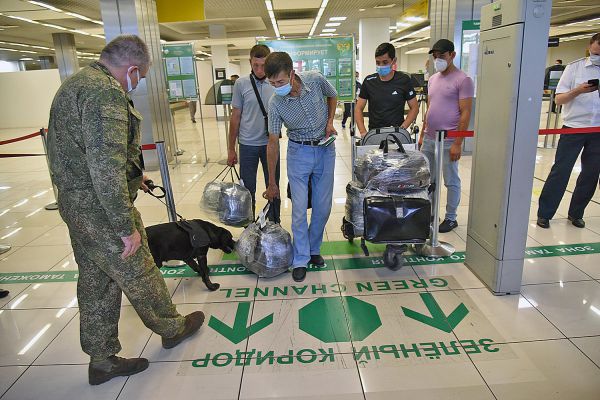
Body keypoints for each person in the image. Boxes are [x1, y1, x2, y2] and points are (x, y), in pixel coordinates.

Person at [47, 35, 204, 385]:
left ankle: (101, 359)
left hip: (76, 205)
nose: (137, 83)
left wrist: (136, 176)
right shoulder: (105, 93)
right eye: (140, 76)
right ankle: (172, 328)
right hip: (101, 211)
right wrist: (124, 226)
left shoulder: (76, 84)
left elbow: (83, 152)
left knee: (96, 280)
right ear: (132, 69)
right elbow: (104, 169)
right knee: (141, 272)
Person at [263, 51, 337, 283]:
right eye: (272, 83)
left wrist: (330, 122)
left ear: (292, 73)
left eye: (281, 82)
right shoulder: (275, 102)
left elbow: (333, 96)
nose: (277, 86)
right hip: (298, 153)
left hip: (326, 150)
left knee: (322, 207)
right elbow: (273, 140)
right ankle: (301, 258)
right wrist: (272, 182)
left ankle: (314, 249)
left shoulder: (315, 80)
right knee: (298, 211)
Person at [537, 33, 600, 229]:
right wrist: (579, 90)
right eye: (597, 48)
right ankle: (545, 213)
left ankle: (576, 213)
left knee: (591, 173)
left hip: (597, 130)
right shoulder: (575, 68)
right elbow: (559, 99)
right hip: (573, 128)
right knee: (561, 171)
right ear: (590, 45)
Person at [418, 39, 474, 233]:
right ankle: (432, 212)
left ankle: (451, 217)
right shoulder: (433, 79)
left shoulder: (463, 79)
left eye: (441, 56)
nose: (437, 60)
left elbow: (466, 112)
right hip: (429, 137)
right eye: (435, 56)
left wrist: (458, 142)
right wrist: (423, 133)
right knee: (428, 179)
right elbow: (430, 108)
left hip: (449, 138)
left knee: (450, 179)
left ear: (452, 55)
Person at [227, 44, 280, 222]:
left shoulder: (275, 83)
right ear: (250, 62)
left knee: (273, 185)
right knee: (247, 189)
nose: (259, 69)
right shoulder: (241, 84)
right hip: (247, 144)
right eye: (255, 65)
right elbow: (235, 117)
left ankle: (274, 222)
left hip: (270, 144)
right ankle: (248, 226)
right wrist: (231, 149)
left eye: (263, 65)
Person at [355, 42, 419, 135]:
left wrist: (402, 129)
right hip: (374, 134)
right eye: (377, 62)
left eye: (385, 62)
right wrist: (363, 132)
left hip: (396, 133)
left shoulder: (403, 80)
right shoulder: (369, 81)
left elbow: (414, 108)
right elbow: (358, 108)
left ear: (394, 61)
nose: (381, 65)